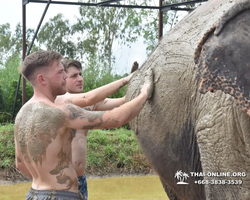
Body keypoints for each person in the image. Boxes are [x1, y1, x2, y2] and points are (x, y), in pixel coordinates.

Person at [15, 50, 154, 200]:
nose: (65, 76)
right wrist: (144, 94)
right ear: (42, 79)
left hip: (34, 194)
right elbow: (116, 118)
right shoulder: (62, 111)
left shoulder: (22, 115)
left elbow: (20, 163)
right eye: (60, 72)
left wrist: (47, 181)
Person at [56, 59, 133, 200]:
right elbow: (88, 97)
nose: (80, 79)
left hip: (81, 180)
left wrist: (135, 83)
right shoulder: (58, 101)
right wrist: (125, 80)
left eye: (80, 74)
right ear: (63, 78)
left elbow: (124, 101)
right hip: (61, 183)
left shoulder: (90, 104)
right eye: (74, 76)